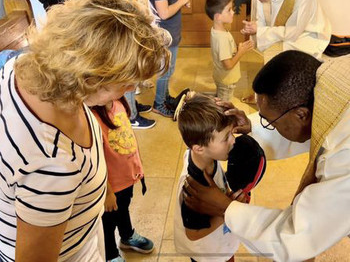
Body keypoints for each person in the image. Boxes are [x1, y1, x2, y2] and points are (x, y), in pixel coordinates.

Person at [0, 0, 170, 261]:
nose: (129, 91)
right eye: (126, 83)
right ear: (89, 77)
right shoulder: (53, 164)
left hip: (86, 238)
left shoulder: (18, 67)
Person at [183, 50, 350, 261]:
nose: (269, 126)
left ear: (301, 114)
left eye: (271, 122)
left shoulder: (344, 158)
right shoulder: (333, 87)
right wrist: (252, 127)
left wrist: (227, 209)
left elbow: (298, 238)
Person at [174, 93, 265, 261]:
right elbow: (193, 233)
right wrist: (227, 210)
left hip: (220, 245)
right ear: (199, 148)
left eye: (231, 133)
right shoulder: (194, 187)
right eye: (226, 138)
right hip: (208, 254)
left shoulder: (204, 158)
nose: (233, 141)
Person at [91, 97, 154, 262]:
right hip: (110, 185)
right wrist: (107, 192)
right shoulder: (92, 118)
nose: (129, 87)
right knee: (108, 222)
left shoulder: (118, 103)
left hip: (126, 176)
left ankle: (127, 235)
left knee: (124, 206)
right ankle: (110, 254)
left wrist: (137, 166)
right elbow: (95, 161)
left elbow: (127, 136)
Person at [241, 0, 331, 62]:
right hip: (285, 34)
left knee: (282, 59)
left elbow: (294, 31)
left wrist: (260, 30)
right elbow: (261, 21)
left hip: (309, 34)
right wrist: (254, 27)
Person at [205, 0, 254, 102]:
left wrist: (237, 49)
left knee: (220, 96)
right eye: (229, 10)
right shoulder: (222, 38)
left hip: (221, 76)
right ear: (218, 16)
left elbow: (224, 53)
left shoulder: (217, 30)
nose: (233, 12)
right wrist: (241, 52)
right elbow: (228, 65)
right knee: (224, 105)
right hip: (226, 80)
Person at [150, 0, 191, 117]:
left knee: (169, 70)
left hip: (172, 33)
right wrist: (181, 2)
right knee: (165, 72)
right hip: (165, 36)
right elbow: (164, 13)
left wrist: (181, 2)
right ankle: (159, 104)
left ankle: (165, 97)